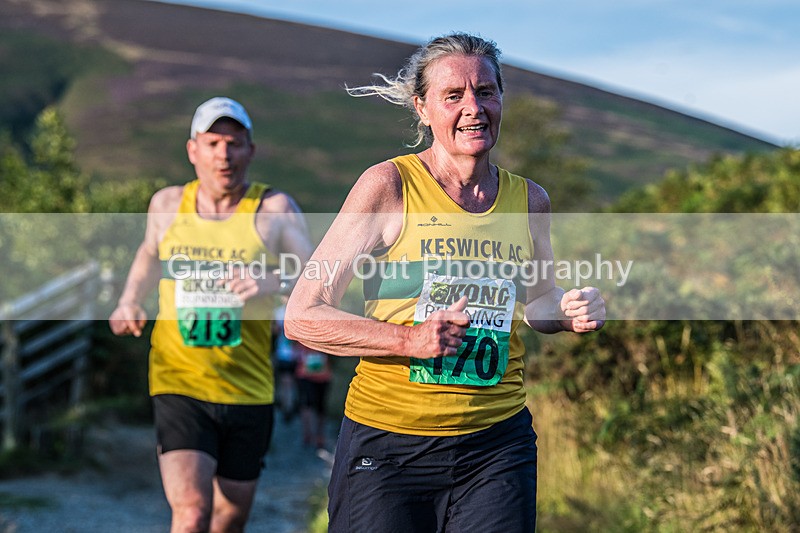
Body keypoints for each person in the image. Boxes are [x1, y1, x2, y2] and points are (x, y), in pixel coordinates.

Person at [284, 33, 605, 532]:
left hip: (497, 444)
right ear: (422, 108)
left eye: (486, 91)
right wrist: (409, 339)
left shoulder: (530, 200)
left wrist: (568, 310)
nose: (473, 108)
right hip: (389, 444)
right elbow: (303, 315)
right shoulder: (388, 187)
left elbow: (539, 299)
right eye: (453, 96)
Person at [109, 96, 313, 533]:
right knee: (192, 512)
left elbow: (318, 277)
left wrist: (270, 280)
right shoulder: (166, 205)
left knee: (229, 517)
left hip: (248, 388)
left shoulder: (275, 210)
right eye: (214, 142)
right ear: (193, 150)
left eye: (235, 143)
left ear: (250, 151)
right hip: (179, 379)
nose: (224, 154)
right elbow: (148, 254)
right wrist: (130, 299)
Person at [294, 344, 332, 449]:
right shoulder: (302, 328)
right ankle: (307, 435)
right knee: (307, 405)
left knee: (320, 406)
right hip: (305, 374)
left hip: (323, 375)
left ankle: (319, 436)